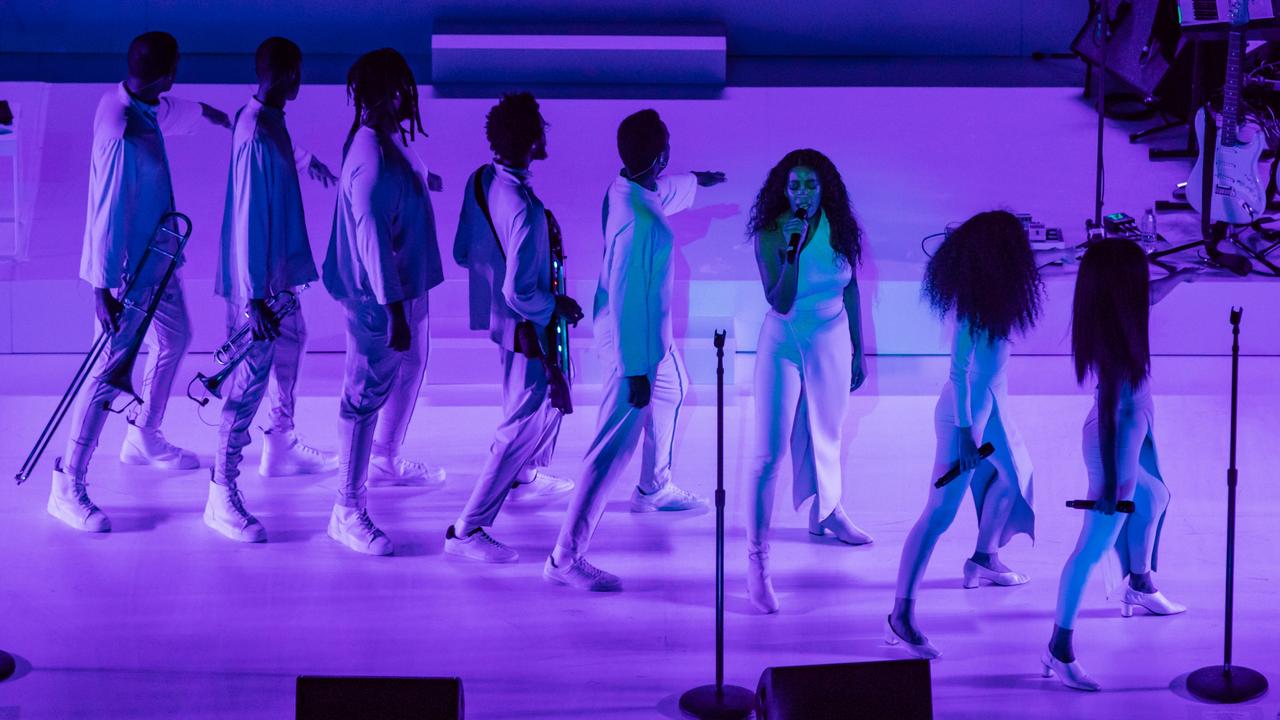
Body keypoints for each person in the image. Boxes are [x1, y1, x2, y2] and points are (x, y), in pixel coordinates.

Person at [49, 31, 231, 533]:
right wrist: (102, 289)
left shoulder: (133, 100)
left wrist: (208, 114)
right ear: (168, 72)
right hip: (127, 272)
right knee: (106, 374)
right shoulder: (120, 129)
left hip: (158, 255)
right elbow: (106, 213)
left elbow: (164, 110)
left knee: (176, 338)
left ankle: (143, 434)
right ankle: (68, 484)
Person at [545, 109, 725, 591]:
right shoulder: (642, 223)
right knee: (609, 448)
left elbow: (659, 190)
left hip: (649, 340)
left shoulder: (623, 187)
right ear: (660, 155)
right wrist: (633, 371)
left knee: (675, 390)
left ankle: (653, 487)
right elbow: (627, 297)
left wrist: (696, 181)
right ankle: (566, 555)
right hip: (634, 346)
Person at [886, 210, 1043, 652]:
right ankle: (900, 615)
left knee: (1019, 478)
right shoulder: (974, 305)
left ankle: (984, 556)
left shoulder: (997, 293)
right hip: (965, 415)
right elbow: (958, 371)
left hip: (991, 407)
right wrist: (964, 436)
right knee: (938, 514)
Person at [1042, 240, 1194, 691]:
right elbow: (1109, 412)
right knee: (1091, 547)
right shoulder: (1113, 334)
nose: (1146, 279)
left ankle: (1140, 584)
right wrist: (1108, 480)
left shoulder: (1126, 303)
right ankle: (1059, 645)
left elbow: (1152, 294)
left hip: (1134, 425)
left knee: (1157, 495)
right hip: (1114, 438)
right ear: (1122, 283)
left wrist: (1183, 276)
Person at [205, 37, 340, 543]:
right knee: (245, 385)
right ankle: (222, 489)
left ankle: (280, 442)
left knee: (295, 338)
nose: (302, 79)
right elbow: (245, 217)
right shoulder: (256, 132)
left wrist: (311, 165)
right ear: (288, 75)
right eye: (299, 71)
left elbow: (284, 149)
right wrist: (253, 297)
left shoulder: (265, 118)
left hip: (275, 277)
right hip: (258, 285)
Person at [445, 92, 581, 563]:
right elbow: (520, 292)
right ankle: (468, 528)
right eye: (540, 127)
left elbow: (464, 250)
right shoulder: (523, 207)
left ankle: (523, 476)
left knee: (526, 407)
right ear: (533, 140)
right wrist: (556, 304)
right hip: (527, 326)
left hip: (506, 326)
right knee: (521, 423)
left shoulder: (481, 179)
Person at [321, 48, 445, 555]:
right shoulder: (369, 157)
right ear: (389, 95)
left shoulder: (387, 139)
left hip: (407, 286)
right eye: (401, 90)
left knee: (411, 367)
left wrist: (423, 180)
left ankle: (386, 457)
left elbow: (405, 173)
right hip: (380, 299)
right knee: (362, 396)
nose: (407, 98)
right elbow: (371, 236)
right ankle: (347, 510)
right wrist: (394, 311)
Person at [743, 149, 872, 614]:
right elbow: (779, 301)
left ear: (825, 188)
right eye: (794, 184)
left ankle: (829, 513)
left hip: (833, 336)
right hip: (783, 340)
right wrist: (789, 252)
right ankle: (757, 561)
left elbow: (851, 286)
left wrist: (858, 346)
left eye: (811, 184)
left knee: (829, 435)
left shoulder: (842, 229)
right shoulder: (772, 233)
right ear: (783, 188)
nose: (802, 193)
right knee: (768, 453)